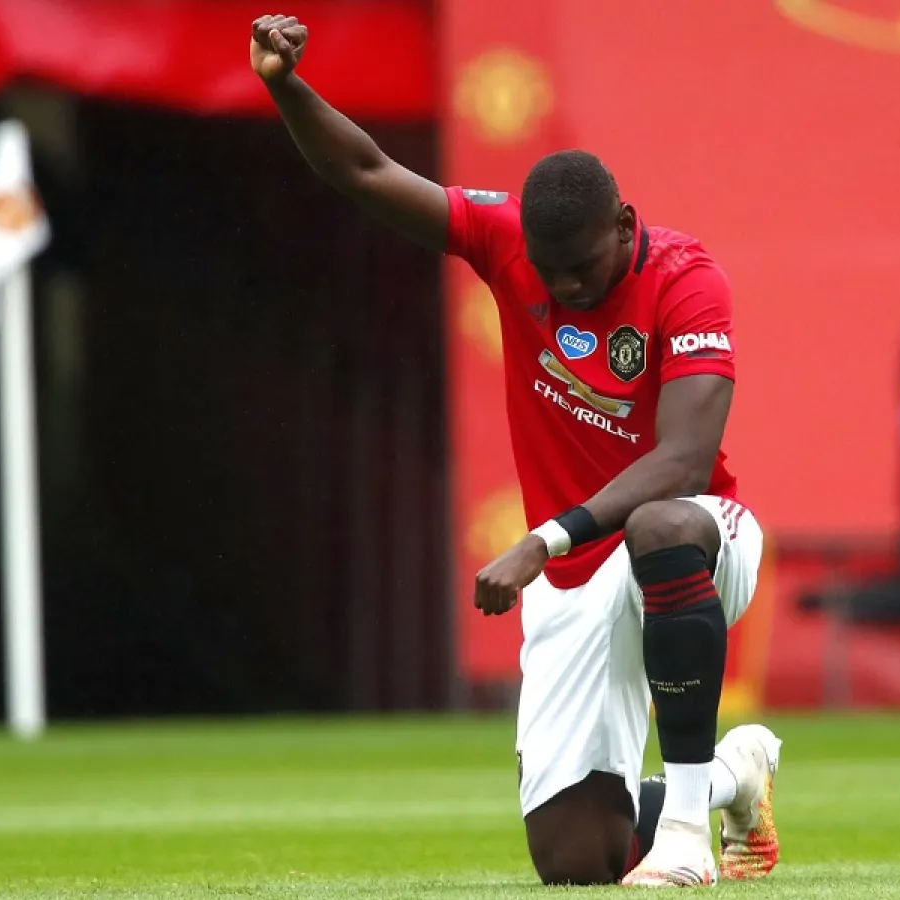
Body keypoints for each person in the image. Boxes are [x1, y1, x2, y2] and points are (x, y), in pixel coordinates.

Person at [249, 15, 780, 887]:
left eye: (580, 269)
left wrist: (546, 538)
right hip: (576, 582)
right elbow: (366, 170)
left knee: (660, 522)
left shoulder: (687, 282)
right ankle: (733, 776)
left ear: (623, 224)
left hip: (696, 540)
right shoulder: (505, 242)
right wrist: (285, 86)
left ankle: (686, 832)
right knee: (576, 862)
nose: (565, 290)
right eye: (548, 270)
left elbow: (684, 458)